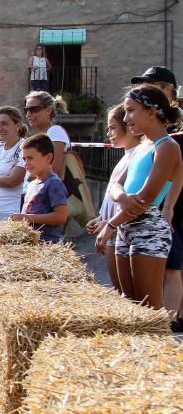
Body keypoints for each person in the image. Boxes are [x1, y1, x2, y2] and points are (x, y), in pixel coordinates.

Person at [96, 86, 183, 310]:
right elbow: (115, 184)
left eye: (131, 111)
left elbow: (145, 200)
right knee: (129, 304)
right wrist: (123, 198)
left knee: (149, 308)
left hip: (148, 229)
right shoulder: (142, 146)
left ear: (152, 111)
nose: (126, 119)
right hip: (125, 226)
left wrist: (111, 224)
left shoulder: (167, 147)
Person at [86, 105, 141, 296]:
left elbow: (131, 199)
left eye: (113, 128)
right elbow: (111, 197)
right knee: (120, 292)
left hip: (122, 230)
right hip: (111, 228)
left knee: (129, 294)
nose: (108, 133)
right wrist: (101, 218)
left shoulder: (138, 156)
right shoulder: (124, 157)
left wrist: (109, 224)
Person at [12, 134, 68, 243]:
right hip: (30, 244)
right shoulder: (32, 184)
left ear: (48, 158)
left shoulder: (54, 184)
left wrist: (26, 218)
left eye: (30, 158)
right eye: (24, 159)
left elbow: (61, 216)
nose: (26, 164)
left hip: (47, 245)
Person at [24, 91, 70, 179]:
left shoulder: (55, 131)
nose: (28, 114)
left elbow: (54, 169)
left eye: (33, 109)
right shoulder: (37, 137)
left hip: (44, 190)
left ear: (48, 110)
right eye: (26, 110)